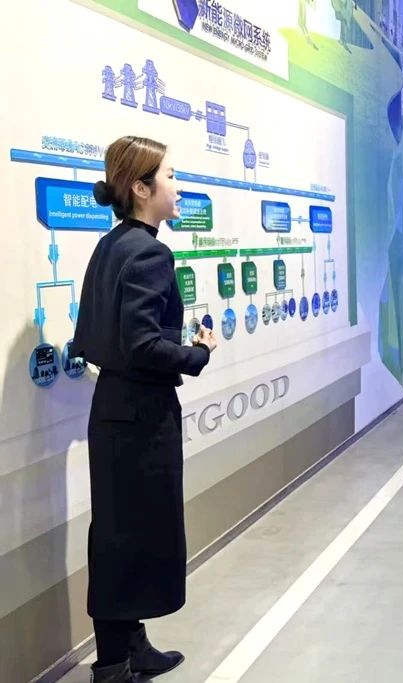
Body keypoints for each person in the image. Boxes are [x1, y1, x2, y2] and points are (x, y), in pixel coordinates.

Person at [72, 136, 218, 683]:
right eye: (171, 176)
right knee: (131, 540)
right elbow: (143, 346)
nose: (178, 187)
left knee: (117, 537)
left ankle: (126, 650)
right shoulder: (151, 253)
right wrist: (198, 353)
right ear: (140, 188)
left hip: (113, 411)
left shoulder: (110, 246)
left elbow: (96, 337)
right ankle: (115, 664)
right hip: (140, 417)